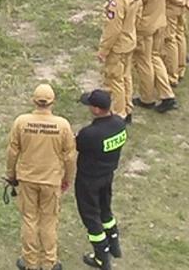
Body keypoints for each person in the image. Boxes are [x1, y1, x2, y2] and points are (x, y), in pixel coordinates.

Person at [6, 83, 75, 270]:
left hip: (27, 178)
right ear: (53, 102)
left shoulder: (21, 122)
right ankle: (49, 262)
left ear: (33, 101)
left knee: (29, 219)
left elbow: (13, 151)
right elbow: (69, 156)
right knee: (49, 220)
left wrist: (11, 175)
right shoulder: (62, 125)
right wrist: (68, 178)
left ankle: (30, 262)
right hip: (51, 180)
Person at [73, 89, 128, 270]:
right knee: (105, 210)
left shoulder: (90, 133)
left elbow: (75, 145)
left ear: (96, 109)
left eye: (90, 105)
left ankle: (101, 257)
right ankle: (114, 244)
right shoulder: (120, 124)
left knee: (91, 217)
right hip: (107, 175)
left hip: (89, 180)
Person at [128, 0, 176, 113]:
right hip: (161, 19)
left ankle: (147, 97)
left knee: (143, 61)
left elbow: (138, 5)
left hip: (146, 25)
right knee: (155, 57)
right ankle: (167, 94)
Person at [98, 0, 141, 120]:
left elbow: (113, 29)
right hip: (131, 38)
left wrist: (103, 50)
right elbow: (139, 13)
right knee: (126, 76)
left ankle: (119, 113)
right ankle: (128, 107)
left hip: (118, 45)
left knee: (115, 80)